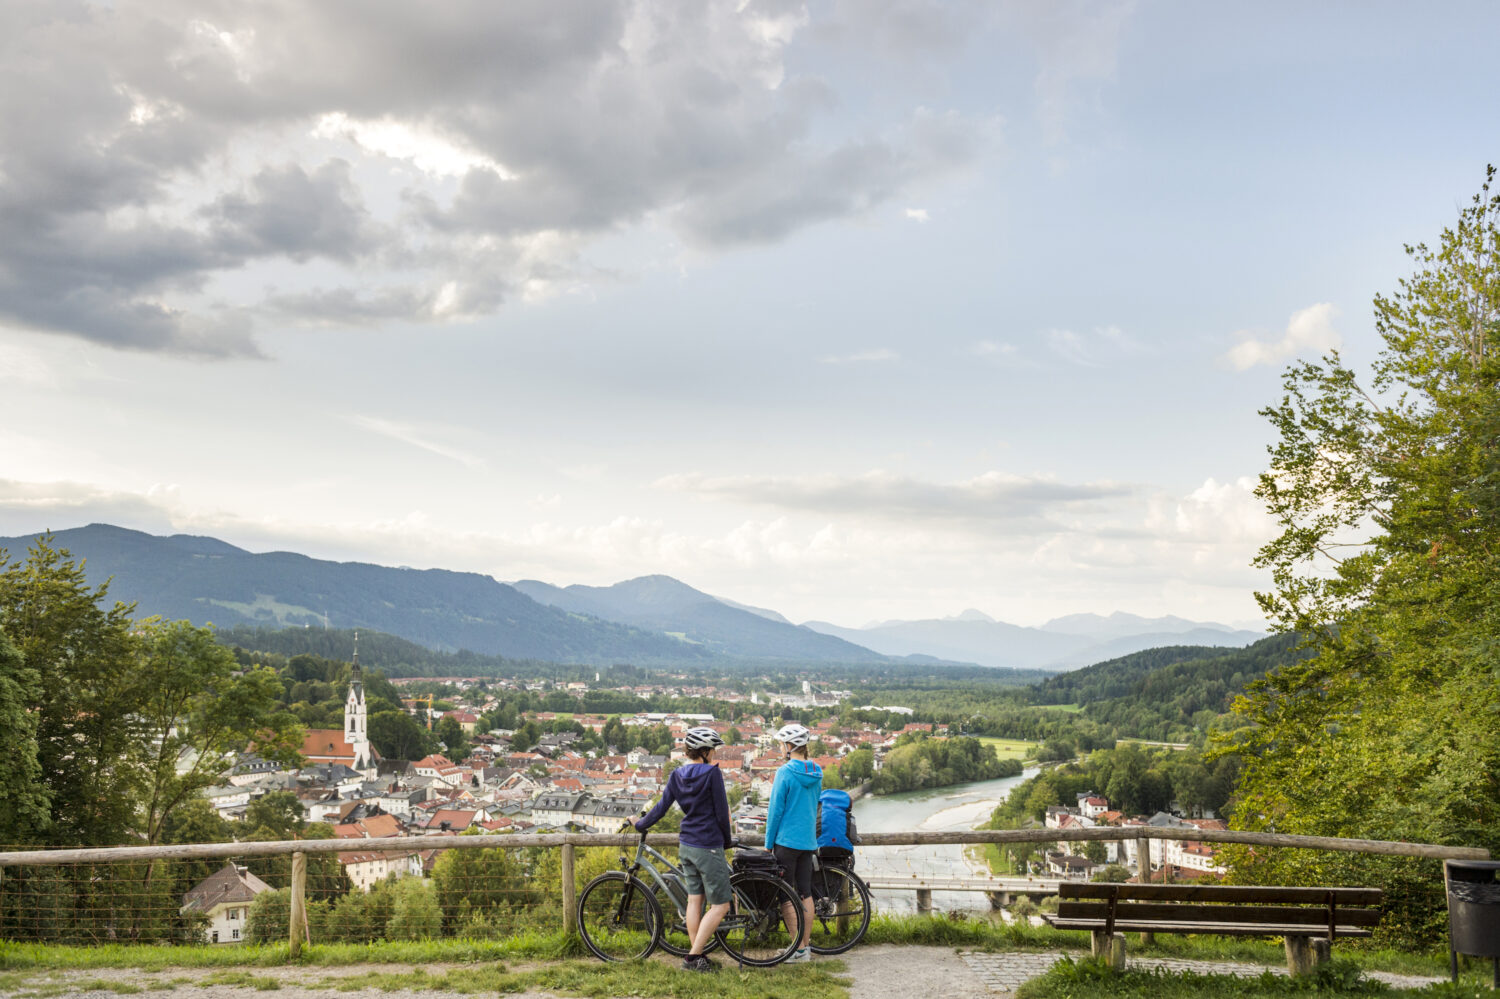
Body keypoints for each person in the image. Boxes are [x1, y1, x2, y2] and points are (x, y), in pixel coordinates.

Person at [635, 726, 733, 972]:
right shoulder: (712, 774)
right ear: (705, 751)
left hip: (686, 844)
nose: (714, 754)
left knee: (694, 901)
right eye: (712, 750)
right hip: (708, 844)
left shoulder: (676, 775)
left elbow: (660, 808)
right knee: (721, 906)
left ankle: (696, 956)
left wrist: (640, 824)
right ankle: (692, 957)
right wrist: (727, 840)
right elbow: (722, 813)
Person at [763, 721, 821, 963]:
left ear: (789, 746)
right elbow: (816, 802)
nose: (780, 748)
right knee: (806, 893)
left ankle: (797, 949)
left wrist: (768, 843)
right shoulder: (817, 771)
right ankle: (805, 947)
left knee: (786, 895)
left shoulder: (785, 772)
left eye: (781, 744)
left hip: (786, 841)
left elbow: (775, 810)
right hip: (808, 842)